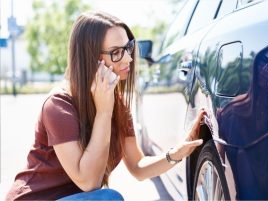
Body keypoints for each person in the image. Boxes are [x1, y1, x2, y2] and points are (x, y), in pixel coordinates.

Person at [5, 11, 206, 200]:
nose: (128, 58)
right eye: (116, 52)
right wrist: (103, 111)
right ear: (91, 59)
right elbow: (89, 182)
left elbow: (138, 166)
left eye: (128, 48)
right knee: (108, 198)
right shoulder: (59, 105)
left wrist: (177, 153)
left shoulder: (117, 104)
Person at [217, 41, 268, 200]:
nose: (265, 69)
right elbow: (220, 166)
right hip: (248, 193)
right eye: (264, 61)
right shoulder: (234, 111)